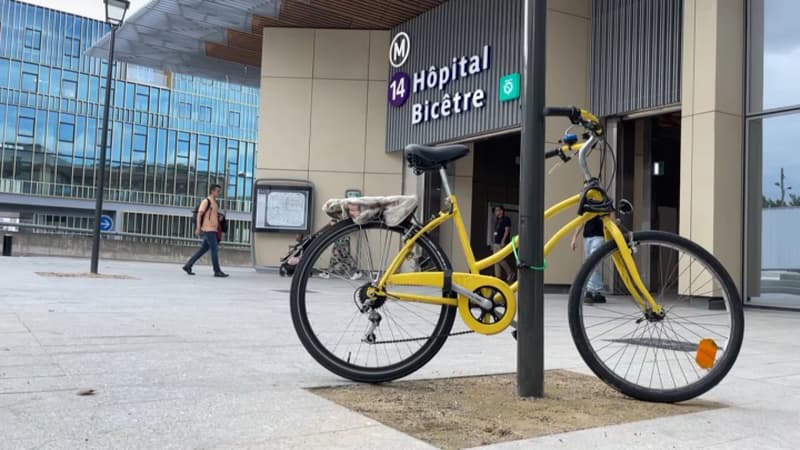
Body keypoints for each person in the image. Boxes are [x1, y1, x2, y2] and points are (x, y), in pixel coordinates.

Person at [182, 184, 229, 277]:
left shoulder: (215, 202)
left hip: (213, 229)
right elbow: (199, 214)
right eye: (217, 191)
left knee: (203, 249)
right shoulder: (206, 201)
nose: (219, 193)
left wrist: (219, 218)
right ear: (212, 191)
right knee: (214, 249)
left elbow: (211, 216)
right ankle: (217, 271)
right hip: (208, 229)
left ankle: (188, 265)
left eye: (219, 191)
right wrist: (198, 228)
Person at [571, 215, 611, 303]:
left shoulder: (605, 201)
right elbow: (581, 220)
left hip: (600, 236)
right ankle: (598, 292)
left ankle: (589, 291)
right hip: (587, 237)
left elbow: (612, 217)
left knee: (592, 263)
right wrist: (575, 237)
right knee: (592, 264)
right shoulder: (585, 201)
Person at [492, 205, 515, 283]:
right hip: (496, 243)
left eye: (497, 210)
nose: (496, 212)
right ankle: (497, 277)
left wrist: (503, 241)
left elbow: (507, 230)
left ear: (501, 211)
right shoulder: (497, 220)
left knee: (500, 259)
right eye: (495, 211)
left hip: (501, 243)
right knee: (495, 260)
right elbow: (495, 232)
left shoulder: (506, 219)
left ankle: (510, 272)